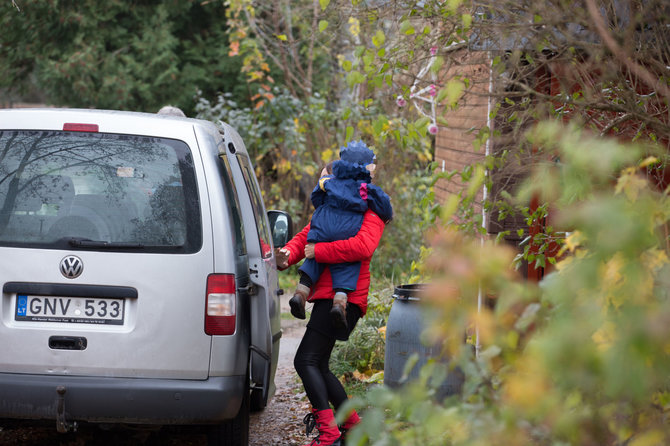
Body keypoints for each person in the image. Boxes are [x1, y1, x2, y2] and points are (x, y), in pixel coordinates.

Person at [276, 200, 387, 446]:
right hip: (327, 298)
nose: (327, 186)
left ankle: (329, 434)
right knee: (319, 364)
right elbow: (307, 236)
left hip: (345, 300)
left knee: (305, 360)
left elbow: (363, 247)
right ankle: (353, 429)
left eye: (329, 180)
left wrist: (318, 251)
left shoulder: (370, 211)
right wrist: (286, 255)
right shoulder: (331, 209)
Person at [286, 141, 392, 330]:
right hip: (347, 229)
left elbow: (316, 197)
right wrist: (388, 214)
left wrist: (323, 209)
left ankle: (301, 292)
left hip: (326, 226)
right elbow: (383, 202)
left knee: (315, 250)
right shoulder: (365, 191)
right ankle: (339, 302)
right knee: (345, 267)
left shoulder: (330, 186)